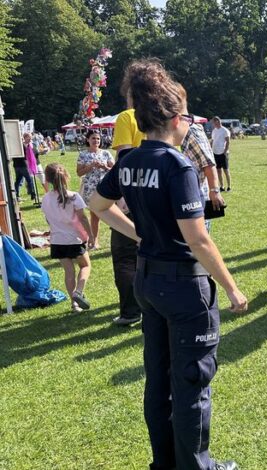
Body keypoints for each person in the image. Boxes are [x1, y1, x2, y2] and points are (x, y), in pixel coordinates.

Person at [89, 59, 246, 470]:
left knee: (159, 381)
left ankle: (165, 463)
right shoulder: (177, 165)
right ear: (177, 119)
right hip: (182, 288)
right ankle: (198, 467)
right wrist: (231, 287)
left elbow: (97, 205)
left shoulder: (128, 161)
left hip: (148, 282)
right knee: (191, 383)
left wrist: (140, 233)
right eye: (188, 116)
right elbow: (198, 238)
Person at [109, 76, 147, 327]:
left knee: (125, 257)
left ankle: (131, 311)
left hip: (131, 198)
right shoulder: (160, 117)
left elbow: (124, 156)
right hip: (156, 197)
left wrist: (119, 194)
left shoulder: (127, 117)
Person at [41, 163, 93, 313]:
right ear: (66, 177)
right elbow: (83, 218)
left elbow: (48, 219)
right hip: (74, 239)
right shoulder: (74, 196)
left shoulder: (46, 199)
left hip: (57, 241)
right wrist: (90, 235)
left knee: (69, 272)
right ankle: (79, 291)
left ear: (48, 179)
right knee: (85, 266)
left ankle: (74, 305)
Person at [182, 122, 225, 232]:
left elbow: (208, 163)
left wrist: (215, 190)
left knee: (198, 239)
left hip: (195, 198)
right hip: (178, 200)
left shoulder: (191, 130)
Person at [77, 129, 115, 250]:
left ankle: (94, 240)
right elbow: (79, 172)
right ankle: (94, 241)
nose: (96, 141)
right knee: (94, 216)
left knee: (105, 214)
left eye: (98, 138)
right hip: (90, 188)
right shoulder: (83, 154)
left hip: (104, 188)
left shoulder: (106, 153)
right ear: (88, 140)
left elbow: (114, 171)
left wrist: (104, 166)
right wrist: (90, 166)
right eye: (93, 138)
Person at [210, 117, 232, 192]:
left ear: (219, 122)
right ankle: (222, 186)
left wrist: (225, 151)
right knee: (218, 170)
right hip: (215, 152)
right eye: (213, 123)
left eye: (215, 122)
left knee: (226, 170)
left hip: (223, 153)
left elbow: (228, 142)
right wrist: (210, 149)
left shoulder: (225, 130)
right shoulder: (214, 131)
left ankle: (229, 186)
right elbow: (212, 141)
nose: (214, 124)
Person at [15, 133, 37, 201]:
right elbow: (26, 157)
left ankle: (17, 195)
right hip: (23, 166)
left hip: (17, 166)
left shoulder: (17, 145)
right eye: (29, 137)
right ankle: (33, 195)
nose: (30, 139)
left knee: (18, 181)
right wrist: (29, 166)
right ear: (25, 137)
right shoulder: (24, 145)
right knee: (29, 180)